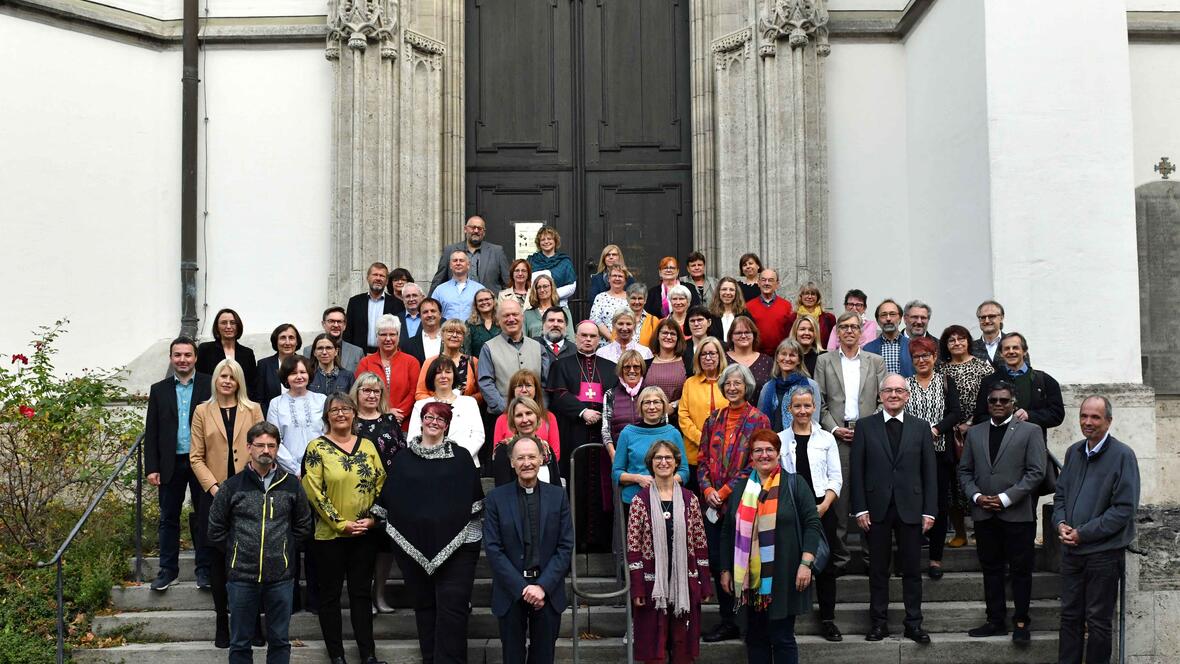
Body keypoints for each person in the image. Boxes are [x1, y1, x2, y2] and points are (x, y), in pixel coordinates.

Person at [376, 402, 484, 664]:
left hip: (458, 549)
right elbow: (390, 505)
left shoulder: (461, 458)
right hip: (412, 550)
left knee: (453, 610)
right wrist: (403, 544)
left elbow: (474, 505)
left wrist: (466, 543)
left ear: (447, 426)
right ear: (421, 420)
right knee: (424, 610)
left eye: (440, 419)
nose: (434, 422)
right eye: (429, 417)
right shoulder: (403, 459)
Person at [207, 421, 313, 664]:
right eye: (260, 445)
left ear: (277, 448)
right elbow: (215, 529)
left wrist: (283, 551)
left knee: (279, 640)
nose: (266, 450)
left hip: (280, 577)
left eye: (271, 445)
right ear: (249, 447)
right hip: (242, 577)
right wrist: (237, 551)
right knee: (240, 642)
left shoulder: (291, 485)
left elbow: (303, 526)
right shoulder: (232, 486)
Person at [849, 374, 937, 644]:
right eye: (888, 391)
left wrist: (929, 511)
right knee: (877, 570)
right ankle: (879, 623)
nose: (894, 395)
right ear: (880, 396)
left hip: (911, 508)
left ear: (907, 395)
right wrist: (860, 509)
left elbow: (929, 472)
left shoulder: (921, 427)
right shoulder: (865, 426)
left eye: (899, 391)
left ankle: (913, 623)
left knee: (912, 570)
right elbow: (857, 471)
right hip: (876, 510)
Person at [721, 429, 822, 664]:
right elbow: (728, 531)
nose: (764, 455)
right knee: (755, 638)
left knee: (783, 637)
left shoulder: (795, 484)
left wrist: (806, 563)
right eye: (758, 450)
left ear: (778, 453)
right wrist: (726, 569)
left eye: (769, 450)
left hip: (785, 575)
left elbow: (812, 524)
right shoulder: (740, 489)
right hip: (749, 580)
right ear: (751, 457)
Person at [1054, 396, 1141, 664]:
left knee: (1098, 622)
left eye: (1095, 417)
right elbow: (1060, 497)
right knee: (1069, 617)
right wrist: (1061, 524)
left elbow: (1123, 510)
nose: (1088, 422)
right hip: (1072, 552)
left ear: (1109, 421)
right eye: (1084, 416)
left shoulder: (1123, 456)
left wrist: (1083, 533)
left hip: (1103, 555)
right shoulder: (1074, 452)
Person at [301, 394, 388, 664]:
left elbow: (382, 484)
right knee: (330, 596)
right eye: (335, 410)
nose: (340, 414)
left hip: (364, 534)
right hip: (329, 536)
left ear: (354, 414)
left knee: (361, 594)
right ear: (327, 415)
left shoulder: (368, 446)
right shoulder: (316, 448)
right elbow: (313, 491)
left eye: (346, 409)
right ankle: (337, 656)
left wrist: (373, 519)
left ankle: (368, 655)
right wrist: (340, 523)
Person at [959, 381, 1045, 642]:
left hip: (1017, 515)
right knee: (991, 569)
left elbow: (1036, 472)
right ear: (987, 403)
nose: (998, 404)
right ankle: (995, 620)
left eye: (1004, 400)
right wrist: (977, 496)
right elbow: (964, 471)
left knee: (1020, 570)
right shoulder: (975, 433)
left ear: (1013, 403)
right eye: (994, 400)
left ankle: (1021, 621)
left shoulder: (1030, 431)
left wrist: (1006, 498)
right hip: (985, 514)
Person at [189, 359, 264, 646]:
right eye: (222, 376)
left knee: (251, 561)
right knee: (219, 564)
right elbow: (196, 456)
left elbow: (262, 448)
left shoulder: (253, 409)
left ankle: (254, 623)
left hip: (249, 494)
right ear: (215, 380)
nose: (226, 381)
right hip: (214, 496)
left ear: (239, 381)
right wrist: (214, 488)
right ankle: (223, 622)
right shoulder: (202, 411)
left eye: (232, 377)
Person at [483, 436, 575, 664]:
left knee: (544, 658)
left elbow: (565, 545)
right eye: (520, 458)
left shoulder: (558, 496)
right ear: (512, 462)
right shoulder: (496, 498)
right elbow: (493, 549)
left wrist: (542, 587)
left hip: (548, 591)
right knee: (512, 657)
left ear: (542, 459)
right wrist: (524, 589)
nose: (527, 463)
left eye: (532, 457)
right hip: (510, 592)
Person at [697, 364, 771, 644]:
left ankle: (749, 621)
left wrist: (725, 491)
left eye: (738, 383)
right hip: (713, 504)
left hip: (745, 501)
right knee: (718, 561)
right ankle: (728, 620)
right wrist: (707, 491)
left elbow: (758, 462)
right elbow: (702, 459)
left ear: (747, 387)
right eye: (728, 383)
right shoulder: (712, 419)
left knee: (747, 561)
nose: (732, 387)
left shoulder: (759, 420)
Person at [627, 440, 712, 664]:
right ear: (651, 464)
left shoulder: (690, 499)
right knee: (653, 650)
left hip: (685, 583)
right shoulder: (639, 501)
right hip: (651, 585)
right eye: (658, 458)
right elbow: (633, 547)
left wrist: (704, 581)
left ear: (676, 463)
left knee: (683, 649)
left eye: (668, 458)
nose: (663, 462)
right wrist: (636, 587)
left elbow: (700, 542)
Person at [813, 311, 886, 568]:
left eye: (854, 327)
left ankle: (870, 557)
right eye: (844, 327)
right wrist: (834, 430)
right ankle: (841, 558)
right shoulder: (824, 361)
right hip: (837, 437)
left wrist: (867, 428)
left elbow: (882, 400)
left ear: (861, 331)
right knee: (840, 502)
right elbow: (819, 402)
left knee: (870, 497)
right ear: (837, 332)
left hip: (869, 436)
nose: (849, 331)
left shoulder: (875, 361)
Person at [144, 337, 212, 591]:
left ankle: (204, 570)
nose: (182, 360)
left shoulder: (208, 385)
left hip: (201, 462)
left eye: (187, 355)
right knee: (168, 518)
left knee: (205, 516)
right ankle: (167, 570)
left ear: (195, 358)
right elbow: (152, 431)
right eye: (177, 355)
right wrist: (152, 467)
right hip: (170, 463)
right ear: (171, 358)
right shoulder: (159, 389)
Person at [778, 385, 844, 642]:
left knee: (824, 565)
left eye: (807, 406)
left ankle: (828, 619)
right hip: (789, 508)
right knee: (790, 562)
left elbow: (835, 478)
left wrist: (825, 505)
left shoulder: (826, 438)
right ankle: (788, 617)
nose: (803, 410)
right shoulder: (780, 439)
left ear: (814, 407)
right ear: (790, 409)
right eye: (797, 406)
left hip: (821, 507)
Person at [546, 321, 619, 551]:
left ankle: (601, 542)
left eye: (593, 336)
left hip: (602, 435)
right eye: (584, 335)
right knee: (576, 484)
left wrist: (599, 415)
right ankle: (575, 542)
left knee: (601, 486)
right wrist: (582, 411)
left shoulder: (610, 367)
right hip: (573, 433)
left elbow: (614, 395)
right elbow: (559, 395)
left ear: (600, 339)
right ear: (575, 337)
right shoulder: (561, 365)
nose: (588, 340)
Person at [903, 336, 962, 579]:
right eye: (917, 356)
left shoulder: (946, 381)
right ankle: (910, 558)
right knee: (911, 506)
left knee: (938, 506)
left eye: (926, 355)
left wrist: (935, 430)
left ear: (935, 357)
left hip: (940, 455)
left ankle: (935, 559)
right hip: (911, 456)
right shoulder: (905, 385)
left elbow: (956, 413)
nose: (921, 360)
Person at [350, 373, 408, 614]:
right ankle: (364, 597)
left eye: (376, 391)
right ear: (358, 393)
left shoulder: (390, 421)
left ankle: (380, 594)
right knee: (363, 549)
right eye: (367, 390)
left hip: (388, 492)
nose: (372, 395)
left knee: (385, 548)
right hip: (358, 492)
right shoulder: (350, 421)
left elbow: (401, 454)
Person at [939, 324, 995, 547]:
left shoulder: (983, 367)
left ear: (968, 341)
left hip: (979, 430)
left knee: (979, 478)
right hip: (950, 434)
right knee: (954, 484)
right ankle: (960, 532)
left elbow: (991, 400)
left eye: (961, 339)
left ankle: (981, 530)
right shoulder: (941, 370)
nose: (956, 343)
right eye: (951, 340)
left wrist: (971, 423)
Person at [974, 332, 1065, 440]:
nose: (1011, 352)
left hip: (1033, 443)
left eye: (1015, 348)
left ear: (1025, 351)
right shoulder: (989, 382)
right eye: (1007, 348)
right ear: (1001, 353)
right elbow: (979, 417)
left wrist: (1029, 415)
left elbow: (1057, 414)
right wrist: (1004, 420)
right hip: (998, 443)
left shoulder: (1045, 381)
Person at [613, 387, 689, 509]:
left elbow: (684, 471)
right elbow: (616, 472)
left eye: (656, 402)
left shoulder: (673, 433)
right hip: (635, 501)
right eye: (647, 402)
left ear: (664, 405)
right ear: (640, 406)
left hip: (668, 499)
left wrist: (662, 482)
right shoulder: (627, 433)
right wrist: (638, 478)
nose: (652, 407)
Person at [408, 356, 485, 465]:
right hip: (428, 465)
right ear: (432, 377)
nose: (443, 376)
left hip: (465, 463)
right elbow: (412, 438)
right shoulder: (420, 405)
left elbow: (478, 435)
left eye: (448, 372)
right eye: (438, 372)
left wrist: (459, 456)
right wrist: (432, 457)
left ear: (454, 376)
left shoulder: (469, 403)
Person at [479, 299, 547, 417]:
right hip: (501, 416)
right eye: (506, 316)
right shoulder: (488, 348)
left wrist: (540, 408)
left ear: (522, 317)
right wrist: (506, 410)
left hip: (536, 417)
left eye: (515, 314)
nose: (511, 319)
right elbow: (486, 383)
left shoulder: (538, 347)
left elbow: (545, 383)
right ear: (498, 320)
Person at [355, 314, 421, 431]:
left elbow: (414, 392)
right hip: (372, 423)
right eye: (383, 334)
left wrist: (399, 414)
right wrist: (385, 413)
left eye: (392, 334)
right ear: (377, 337)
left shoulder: (411, 362)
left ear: (399, 336)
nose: (388, 339)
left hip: (403, 424)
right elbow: (360, 393)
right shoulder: (365, 362)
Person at [677, 336, 726, 487]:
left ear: (720, 356)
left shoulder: (729, 381)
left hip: (724, 453)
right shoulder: (690, 383)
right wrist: (702, 439)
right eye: (704, 354)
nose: (708, 358)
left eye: (712, 353)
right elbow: (683, 417)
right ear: (698, 358)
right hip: (694, 453)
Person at [266, 355, 327, 476]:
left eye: (303, 372)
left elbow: (328, 434)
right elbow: (274, 440)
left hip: (323, 466)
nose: (299, 377)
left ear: (309, 374)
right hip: (289, 471)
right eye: (293, 373)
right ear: (286, 377)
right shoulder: (276, 403)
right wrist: (296, 470)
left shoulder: (321, 400)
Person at [429, 214, 511, 293]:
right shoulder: (449, 251)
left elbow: (507, 282)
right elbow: (439, 281)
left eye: (479, 228)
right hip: (458, 303)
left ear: (484, 232)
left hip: (488, 304)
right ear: (465, 229)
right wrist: (429, 304)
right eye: (472, 227)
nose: (476, 231)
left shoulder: (497, 251)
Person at [491, 399, 563, 486]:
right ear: (513, 421)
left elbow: (556, 487)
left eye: (529, 413)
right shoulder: (504, 450)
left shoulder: (546, 449)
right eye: (519, 415)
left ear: (537, 417)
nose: (525, 420)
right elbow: (502, 490)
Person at [757, 339, 821, 433]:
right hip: (773, 442)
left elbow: (814, 420)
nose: (787, 359)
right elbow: (760, 419)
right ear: (777, 358)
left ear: (799, 360)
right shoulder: (767, 387)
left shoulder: (811, 386)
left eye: (792, 355)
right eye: (783, 354)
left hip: (803, 440)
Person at [492, 370, 561, 455]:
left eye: (528, 385)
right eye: (519, 386)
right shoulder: (501, 420)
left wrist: (533, 465)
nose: (524, 390)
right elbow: (498, 454)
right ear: (513, 390)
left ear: (536, 390)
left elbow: (555, 453)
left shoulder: (549, 417)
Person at [601, 350, 650, 459]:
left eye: (636, 367)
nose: (632, 371)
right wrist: (613, 454)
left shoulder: (652, 393)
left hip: (648, 455)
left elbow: (663, 425)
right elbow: (605, 429)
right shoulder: (610, 394)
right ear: (621, 370)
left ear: (642, 369)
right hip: (620, 454)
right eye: (627, 367)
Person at [346, 262, 405, 355]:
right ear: (368, 278)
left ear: (386, 281)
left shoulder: (397, 304)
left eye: (382, 276)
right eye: (375, 275)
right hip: (359, 355)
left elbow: (400, 333)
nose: (378, 278)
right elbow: (348, 332)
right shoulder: (355, 302)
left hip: (387, 355)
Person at [415, 318, 480, 401]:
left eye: (459, 333)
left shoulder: (473, 362)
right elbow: (420, 393)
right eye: (450, 332)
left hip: (464, 411)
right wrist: (440, 403)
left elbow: (482, 393)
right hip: (437, 412)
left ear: (463, 338)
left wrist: (466, 402)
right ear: (442, 336)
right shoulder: (430, 362)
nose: (454, 335)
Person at [197, 307, 258, 394]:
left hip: (240, 403)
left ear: (238, 326)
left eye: (233, 323)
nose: (228, 326)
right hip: (212, 401)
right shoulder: (205, 349)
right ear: (217, 327)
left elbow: (252, 383)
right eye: (224, 323)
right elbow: (200, 379)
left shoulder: (247, 353)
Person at [255, 324, 302, 417]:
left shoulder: (305, 364)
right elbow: (259, 399)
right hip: (271, 419)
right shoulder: (264, 365)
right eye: (283, 338)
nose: (287, 342)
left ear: (297, 342)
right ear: (276, 341)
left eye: (291, 338)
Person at [745, 268, 794, 356]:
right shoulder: (748, 306)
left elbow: (790, 333)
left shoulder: (787, 306)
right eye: (763, 280)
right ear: (759, 283)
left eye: (771, 280)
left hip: (781, 355)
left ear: (777, 284)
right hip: (756, 356)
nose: (767, 283)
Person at [301, 306, 364, 373]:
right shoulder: (308, 351)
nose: (336, 325)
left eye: (339, 321)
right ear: (323, 324)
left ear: (345, 325)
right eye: (331, 321)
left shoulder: (357, 352)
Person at [726, 314, 774, 402]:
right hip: (729, 414)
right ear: (731, 337)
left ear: (754, 335)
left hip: (761, 414)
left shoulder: (767, 361)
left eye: (747, 332)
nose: (743, 336)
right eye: (738, 333)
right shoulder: (722, 359)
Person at [646, 318, 690, 410]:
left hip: (679, 418)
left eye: (673, 334)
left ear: (678, 338)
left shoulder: (687, 363)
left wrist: (674, 406)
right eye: (665, 333)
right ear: (658, 336)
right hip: (650, 417)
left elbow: (693, 392)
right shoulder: (646, 364)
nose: (669, 337)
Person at [527, 225, 577, 304]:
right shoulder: (532, 261)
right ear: (539, 243)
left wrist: (550, 295)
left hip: (558, 305)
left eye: (549, 239)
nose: (546, 242)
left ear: (555, 241)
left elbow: (571, 286)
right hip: (535, 305)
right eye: (543, 239)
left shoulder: (564, 262)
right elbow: (526, 283)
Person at [862, 299, 912, 377]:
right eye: (883, 315)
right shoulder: (868, 349)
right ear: (877, 320)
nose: (888, 318)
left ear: (900, 319)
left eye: (892, 314)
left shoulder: (912, 346)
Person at [433, 250, 487, 323]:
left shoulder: (479, 289)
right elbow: (433, 313)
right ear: (450, 265)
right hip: (447, 332)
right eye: (455, 261)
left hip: (473, 333)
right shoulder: (439, 290)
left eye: (461, 260)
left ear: (468, 265)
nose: (458, 263)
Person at [523, 274, 574, 341]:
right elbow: (523, 339)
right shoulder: (527, 314)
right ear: (535, 290)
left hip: (559, 350)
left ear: (552, 288)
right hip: (535, 350)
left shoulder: (564, 311)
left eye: (545, 286)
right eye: (538, 287)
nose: (542, 290)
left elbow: (571, 338)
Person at [590, 266, 633, 341]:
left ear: (625, 281)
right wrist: (612, 338)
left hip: (628, 343)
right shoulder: (601, 297)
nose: (617, 278)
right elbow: (595, 319)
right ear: (609, 279)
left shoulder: (632, 298)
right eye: (614, 276)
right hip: (605, 344)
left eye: (620, 276)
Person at [401, 297, 444, 364]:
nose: (429, 315)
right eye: (425, 312)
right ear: (420, 316)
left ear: (440, 314)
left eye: (433, 311)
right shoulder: (408, 345)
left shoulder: (450, 340)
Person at [792, 282, 835, 348]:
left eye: (813, 294)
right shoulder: (792, 318)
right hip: (799, 355)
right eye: (806, 293)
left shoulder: (829, 318)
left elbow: (834, 341)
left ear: (818, 297)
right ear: (801, 296)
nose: (809, 297)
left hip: (822, 356)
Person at [707, 276, 748, 342]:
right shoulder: (710, 315)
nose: (728, 293)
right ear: (718, 292)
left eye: (731, 290)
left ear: (736, 293)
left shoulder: (744, 314)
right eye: (724, 289)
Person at [464, 288, 500, 358]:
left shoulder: (502, 321)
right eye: (480, 300)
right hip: (478, 365)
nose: (484, 302)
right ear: (476, 304)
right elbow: (467, 349)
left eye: (487, 299)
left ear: (493, 301)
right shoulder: (470, 324)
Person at [971, 299, 1006, 367]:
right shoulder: (971, 348)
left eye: (991, 316)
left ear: (1001, 318)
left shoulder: (1013, 344)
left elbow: (1025, 374)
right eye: (983, 317)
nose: (986, 321)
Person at [628, 283, 660, 349]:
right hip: (623, 358)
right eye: (633, 298)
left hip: (647, 358)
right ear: (628, 299)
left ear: (645, 300)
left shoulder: (653, 321)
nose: (637, 302)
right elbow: (614, 341)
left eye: (640, 298)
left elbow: (657, 345)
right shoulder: (620, 319)